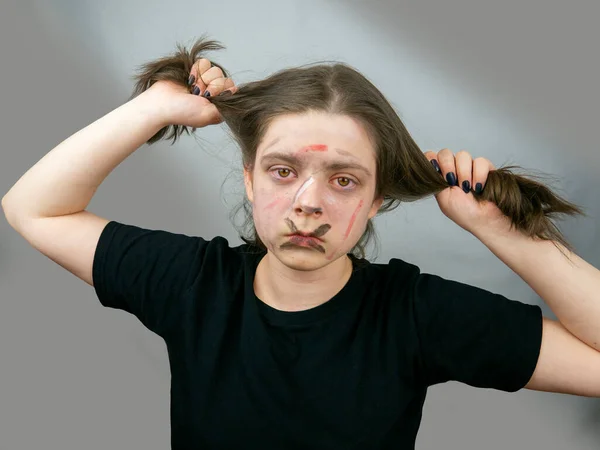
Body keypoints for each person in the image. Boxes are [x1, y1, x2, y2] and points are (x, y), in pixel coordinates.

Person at [3, 37, 600, 450]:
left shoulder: (412, 313)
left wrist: (504, 232)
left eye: (344, 180)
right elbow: (31, 207)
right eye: (283, 170)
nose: (308, 203)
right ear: (249, 178)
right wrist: (154, 108)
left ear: (375, 200)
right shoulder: (193, 284)